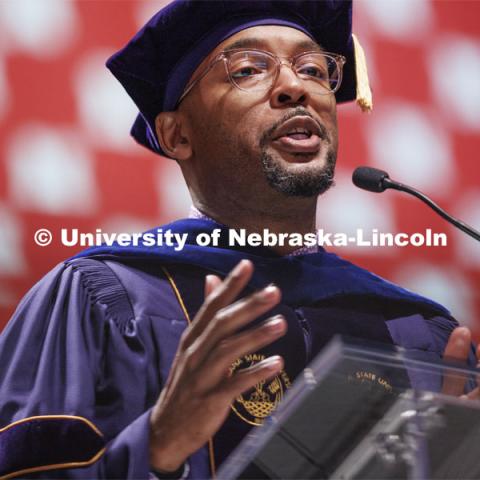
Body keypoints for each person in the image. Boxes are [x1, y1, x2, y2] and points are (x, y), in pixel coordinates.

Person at [0, 1, 477, 478]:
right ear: (177, 135)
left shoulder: (418, 329)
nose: (295, 87)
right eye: (248, 69)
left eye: (313, 69)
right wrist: (157, 446)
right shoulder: (101, 300)